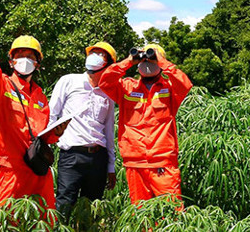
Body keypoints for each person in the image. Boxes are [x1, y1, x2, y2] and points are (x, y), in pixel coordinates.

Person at [0, 13, 67, 210]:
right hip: (12, 170)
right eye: (19, 56)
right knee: (4, 225)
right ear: (11, 60)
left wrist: (56, 133)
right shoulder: (1, 85)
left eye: (30, 56)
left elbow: (43, 135)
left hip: (38, 169)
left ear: (37, 63)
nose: (25, 60)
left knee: (44, 224)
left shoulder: (40, 96)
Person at [98, 43, 193, 205]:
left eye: (152, 58)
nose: (148, 62)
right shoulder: (126, 87)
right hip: (135, 162)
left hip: (163, 162)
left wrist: (161, 61)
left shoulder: (169, 88)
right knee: (142, 215)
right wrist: (129, 61)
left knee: (171, 211)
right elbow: (105, 81)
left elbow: (184, 83)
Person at [48, 41, 118, 219]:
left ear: (108, 65)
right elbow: (51, 114)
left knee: (92, 207)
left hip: (98, 157)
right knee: (64, 203)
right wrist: (46, 147)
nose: (94, 56)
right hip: (71, 154)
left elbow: (109, 130)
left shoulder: (108, 93)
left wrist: (111, 166)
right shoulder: (69, 81)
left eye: (101, 54)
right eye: (92, 52)